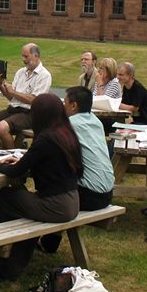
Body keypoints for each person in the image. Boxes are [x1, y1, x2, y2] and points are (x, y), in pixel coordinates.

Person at [0, 94, 82, 279]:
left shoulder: (45, 139)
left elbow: (15, 172)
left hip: (56, 205)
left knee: (6, 196)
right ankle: (8, 261)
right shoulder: (66, 133)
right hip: (72, 201)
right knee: (23, 201)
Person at [37, 86, 115, 254]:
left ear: (73, 106)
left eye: (65, 103)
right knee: (63, 188)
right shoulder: (96, 122)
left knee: (53, 194)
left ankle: (27, 245)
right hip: (108, 192)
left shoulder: (69, 125)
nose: (63, 107)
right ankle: (49, 243)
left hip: (89, 195)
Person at [0, 43, 52, 149]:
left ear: (36, 56)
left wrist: (13, 92)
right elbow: (11, 97)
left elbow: (34, 100)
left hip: (30, 114)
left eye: (26, 56)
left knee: (1, 128)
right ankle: (2, 152)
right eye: (22, 56)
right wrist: (0, 84)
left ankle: (12, 156)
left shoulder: (44, 75)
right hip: (12, 110)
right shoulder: (20, 72)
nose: (23, 59)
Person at [116, 62, 147, 127]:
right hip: (138, 122)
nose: (117, 77)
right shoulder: (126, 87)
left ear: (130, 75)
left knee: (121, 130)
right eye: (117, 74)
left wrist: (116, 104)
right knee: (117, 127)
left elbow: (134, 108)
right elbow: (124, 105)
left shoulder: (137, 87)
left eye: (121, 75)